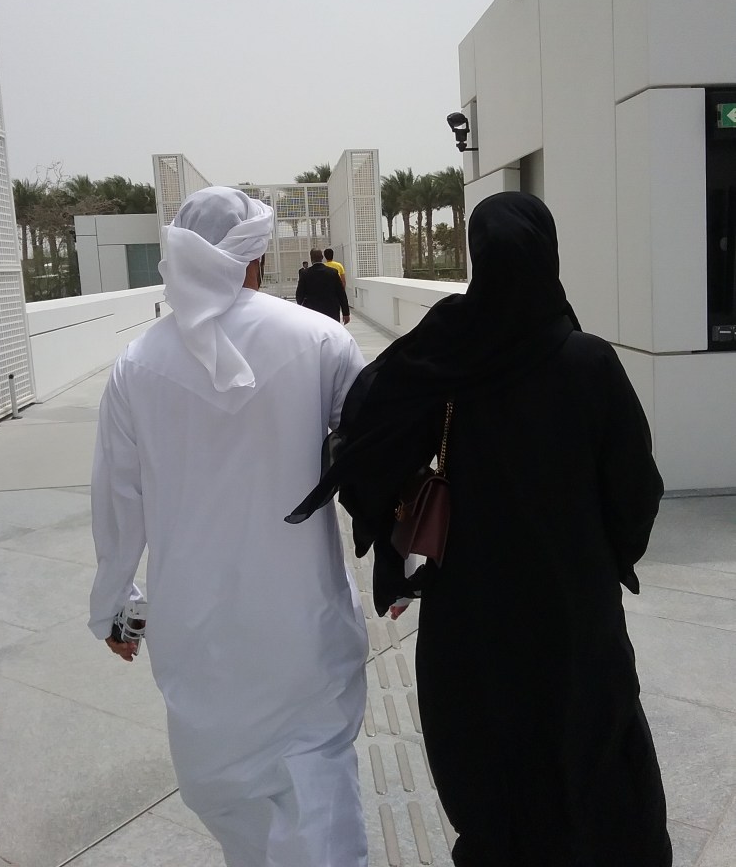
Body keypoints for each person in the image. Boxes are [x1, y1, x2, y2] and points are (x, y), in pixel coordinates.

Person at [288, 192, 672, 867]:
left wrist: (389, 539)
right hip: (571, 601)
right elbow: (636, 489)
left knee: (487, 744)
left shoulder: (450, 352)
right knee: (589, 742)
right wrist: (605, 556)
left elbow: (369, 429)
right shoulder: (587, 362)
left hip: (471, 600)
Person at [89, 188, 369, 867]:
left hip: (198, 633)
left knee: (228, 796)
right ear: (255, 257)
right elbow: (374, 460)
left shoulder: (135, 366)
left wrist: (116, 610)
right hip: (301, 621)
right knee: (316, 787)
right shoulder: (323, 340)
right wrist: (403, 563)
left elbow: (116, 504)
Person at [296, 248, 350, 323]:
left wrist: (302, 308)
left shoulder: (305, 274)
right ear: (322, 257)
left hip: (312, 312)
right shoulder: (333, 272)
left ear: (311, 258)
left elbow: (299, 295)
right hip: (331, 311)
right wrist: (346, 312)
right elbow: (341, 293)